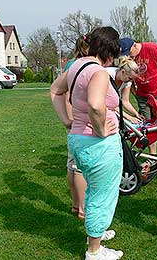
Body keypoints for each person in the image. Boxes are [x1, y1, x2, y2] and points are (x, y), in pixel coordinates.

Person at [51, 26, 124, 260]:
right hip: (97, 144)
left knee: (94, 190)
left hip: (79, 139)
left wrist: (67, 121)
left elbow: (55, 90)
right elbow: (95, 104)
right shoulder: (99, 73)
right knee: (102, 195)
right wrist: (102, 129)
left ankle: (97, 234)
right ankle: (94, 251)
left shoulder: (76, 67)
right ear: (110, 53)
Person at [119, 37, 157, 162]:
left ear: (134, 46)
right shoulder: (130, 60)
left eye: (129, 52)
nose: (128, 56)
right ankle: (153, 156)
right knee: (148, 125)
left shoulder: (152, 48)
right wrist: (137, 94)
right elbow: (130, 80)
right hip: (143, 96)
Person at [64, 36, 89, 221]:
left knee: (72, 164)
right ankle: (82, 208)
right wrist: (70, 119)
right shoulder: (82, 65)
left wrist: (67, 119)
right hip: (80, 121)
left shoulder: (71, 63)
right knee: (80, 167)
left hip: (73, 120)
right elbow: (65, 94)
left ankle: (75, 205)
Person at [104, 56, 143, 123]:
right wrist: (129, 117)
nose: (130, 81)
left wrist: (136, 114)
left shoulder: (127, 81)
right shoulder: (106, 75)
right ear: (123, 72)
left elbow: (125, 101)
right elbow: (109, 104)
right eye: (130, 78)